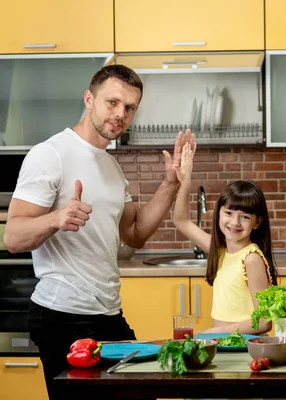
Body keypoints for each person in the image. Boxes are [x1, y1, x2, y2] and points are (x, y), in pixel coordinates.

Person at [3, 64, 195, 400]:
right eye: (113, 102)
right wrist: (56, 219)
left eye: (130, 107)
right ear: (89, 98)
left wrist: (170, 184)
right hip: (62, 316)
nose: (121, 114)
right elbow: (13, 237)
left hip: (107, 313)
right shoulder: (50, 154)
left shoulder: (111, 166)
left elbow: (135, 232)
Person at [173, 142, 278, 335]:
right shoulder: (220, 250)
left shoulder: (251, 258)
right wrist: (185, 181)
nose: (235, 222)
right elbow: (180, 220)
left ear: (257, 222)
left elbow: (264, 322)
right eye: (229, 212)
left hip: (246, 346)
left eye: (245, 216)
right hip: (226, 344)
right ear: (219, 213)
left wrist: (212, 333)